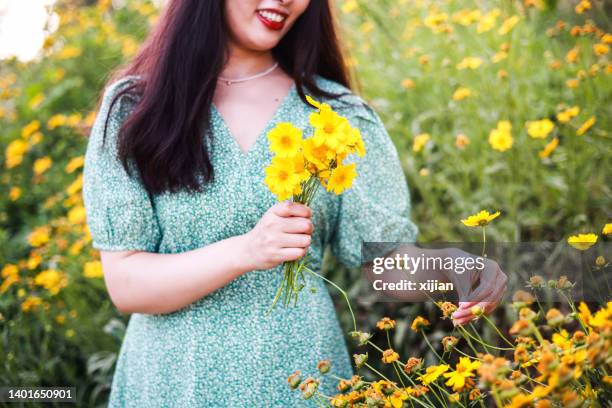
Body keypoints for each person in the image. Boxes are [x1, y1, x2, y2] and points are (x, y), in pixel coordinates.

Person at [82, 0, 506, 406]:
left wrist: (451, 268)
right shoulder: (138, 108)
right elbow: (126, 284)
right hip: (174, 383)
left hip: (302, 378)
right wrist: (246, 251)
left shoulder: (335, 115)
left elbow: (385, 262)